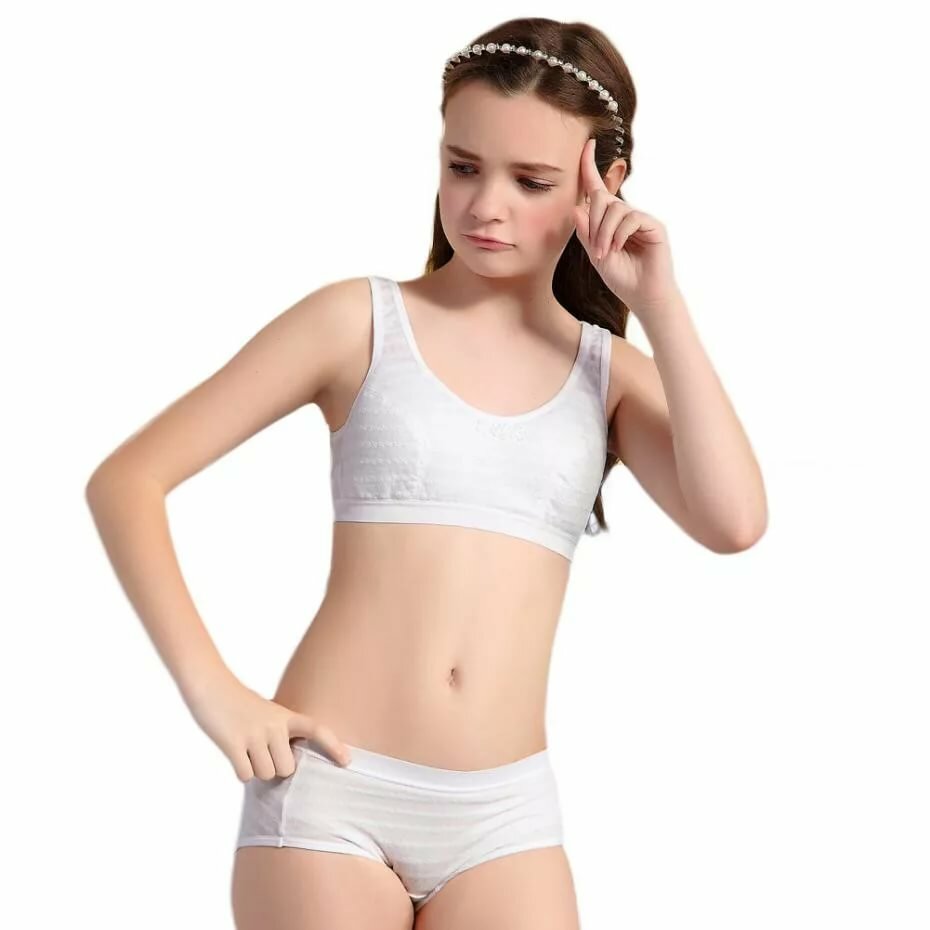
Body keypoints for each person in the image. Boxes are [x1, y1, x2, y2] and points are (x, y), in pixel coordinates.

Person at [85, 16, 767, 930]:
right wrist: (215, 694)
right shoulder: (359, 323)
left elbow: (735, 521)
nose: (486, 205)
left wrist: (662, 303)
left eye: (530, 181)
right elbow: (128, 481)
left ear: (604, 183)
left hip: (506, 819)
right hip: (333, 794)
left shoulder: (608, 376)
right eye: (462, 166)